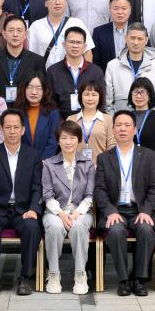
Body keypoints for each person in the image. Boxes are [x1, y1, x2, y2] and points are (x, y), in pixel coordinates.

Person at [95, 110, 155, 297]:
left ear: (135, 129)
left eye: (127, 125)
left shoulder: (148, 155)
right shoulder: (104, 158)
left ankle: (140, 279)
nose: (123, 129)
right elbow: (99, 190)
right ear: (113, 129)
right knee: (116, 231)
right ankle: (124, 280)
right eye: (118, 125)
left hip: (140, 209)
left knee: (146, 230)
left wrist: (147, 210)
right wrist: (110, 211)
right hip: (115, 210)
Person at [0, 110, 44, 295]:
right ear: (1, 129)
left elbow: (37, 187)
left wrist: (33, 209)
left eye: (16, 127)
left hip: (23, 210)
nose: (12, 131)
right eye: (8, 127)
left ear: (23, 130)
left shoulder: (33, 155)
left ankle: (25, 278)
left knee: (32, 227)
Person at [41, 119, 95, 295]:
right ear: (58, 141)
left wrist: (77, 213)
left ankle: (80, 274)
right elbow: (47, 195)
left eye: (72, 138)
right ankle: (53, 274)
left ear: (79, 140)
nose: (68, 142)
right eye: (64, 138)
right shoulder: (49, 164)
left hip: (81, 211)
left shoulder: (88, 164)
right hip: (55, 211)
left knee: (79, 227)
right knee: (55, 227)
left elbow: (90, 195)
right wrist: (62, 214)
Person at [27, 0, 94, 69]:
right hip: (44, 74)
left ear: (66, 2)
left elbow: (87, 53)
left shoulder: (76, 23)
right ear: (46, 3)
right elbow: (30, 55)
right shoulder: (36, 26)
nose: (57, 2)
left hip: (71, 74)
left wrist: (86, 74)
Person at [0, 16, 46, 104]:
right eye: (11, 30)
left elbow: (42, 89)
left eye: (19, 30)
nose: (15, 34)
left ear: (25, 34)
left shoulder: (37, 61)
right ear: (4, 34)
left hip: (26, 108)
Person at [104, 23, 155, 112]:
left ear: (146, 40)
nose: (136, 42)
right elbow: (108, 103)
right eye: (132, 38)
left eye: (140, 39)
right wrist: (114, 119)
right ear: (126, 38)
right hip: (121, 119)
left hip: (150, 118)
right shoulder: (113, 65)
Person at [45, 27, 105, 116]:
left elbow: (101, 101)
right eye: (71, 42)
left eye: (79, 42)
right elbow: (50, 103)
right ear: (64, 44)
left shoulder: (96, 71)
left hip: (90, 120)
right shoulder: (53, 71)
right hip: (62, 121)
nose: (75, 46)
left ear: (85, 46)